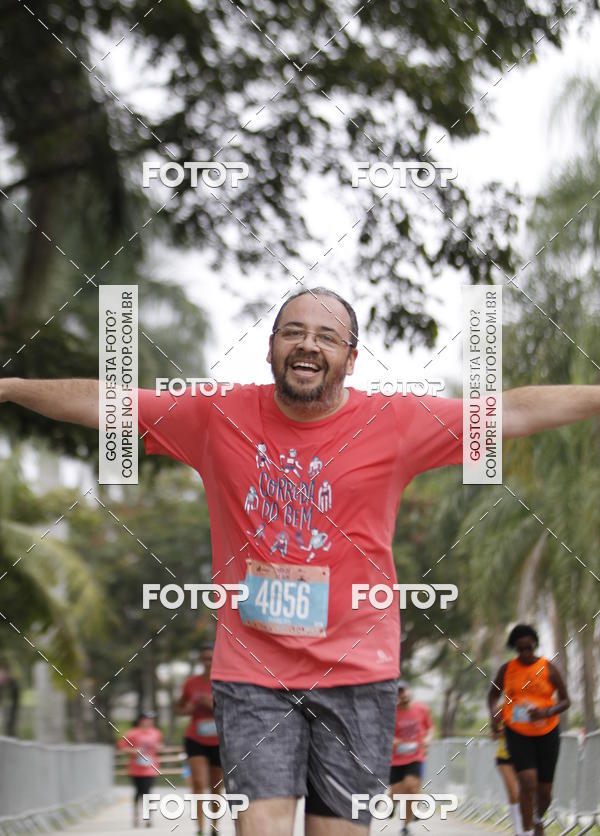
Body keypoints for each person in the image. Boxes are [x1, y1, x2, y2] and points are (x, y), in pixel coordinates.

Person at [2, 286, 598, 836]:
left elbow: (510, 412)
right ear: (271, 348)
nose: (308, 343)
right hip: (252, 673)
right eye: (293, 331)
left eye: (327, 336)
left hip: (359, 675)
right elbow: (109, 403)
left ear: (351, 357)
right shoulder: (216, 414)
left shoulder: (394, 422)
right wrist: (9, 388)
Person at [488, 624, 570, 836]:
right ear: (514, 648)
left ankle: (537, 818)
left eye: (529, 648)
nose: (525, 653)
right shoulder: (507, 669)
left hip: (547, 732)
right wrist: (493, 716)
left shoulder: (548, 668)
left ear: (535, 645)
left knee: (544, 792)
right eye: (520, 649)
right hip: (517, 731)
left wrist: (546, 712)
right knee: (527, 782)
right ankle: (525, 831)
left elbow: (566, 700)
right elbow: (492, 695)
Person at [176, 643, 222, 836]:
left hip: (219, 740)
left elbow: (233, 712)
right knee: (197, 782)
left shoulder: (223, 681)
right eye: (203, 658)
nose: (206, 661)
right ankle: (200, 828)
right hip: (195, 738)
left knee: (216, 787)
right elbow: (178, 709)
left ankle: (214, 826)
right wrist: (191, 708)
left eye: (210, 658)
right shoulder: (191, 683)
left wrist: (212, 705)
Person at [388, 682, 433, 836]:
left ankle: (405, 826)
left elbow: (430, 728)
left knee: (411, 788)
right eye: (399, 692)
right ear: (396, 695)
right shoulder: (392, 712)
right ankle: (392, 803)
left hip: (416, 756)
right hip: (397, 758)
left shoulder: (421, 709)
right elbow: (386, 733)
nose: (403, 694)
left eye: (405, 691)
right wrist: (394, 741)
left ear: (409, 691)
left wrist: (428, 739)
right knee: (396, 791)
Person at [117, 711, 162, 829]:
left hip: (150, 768)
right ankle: (136, 815)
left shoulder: (156, 733)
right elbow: (121, 746)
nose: (150, 721)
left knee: (147, 791)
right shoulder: (132, 733)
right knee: (138, 792)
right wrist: (133, 751)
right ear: (141, 720)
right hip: (136, 768)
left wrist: (159, 747)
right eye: (147, 719)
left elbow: (158, 746)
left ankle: (148, 818)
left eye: (152, 719)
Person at [494, 714, 522, 836]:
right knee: (515, 793)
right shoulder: (501, 709)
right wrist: (503, 731)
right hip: (504, 757)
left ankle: (522, 829)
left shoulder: (528, 705)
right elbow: (494, 735)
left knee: (520, 795)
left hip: (524, 755)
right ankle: (519, 830)